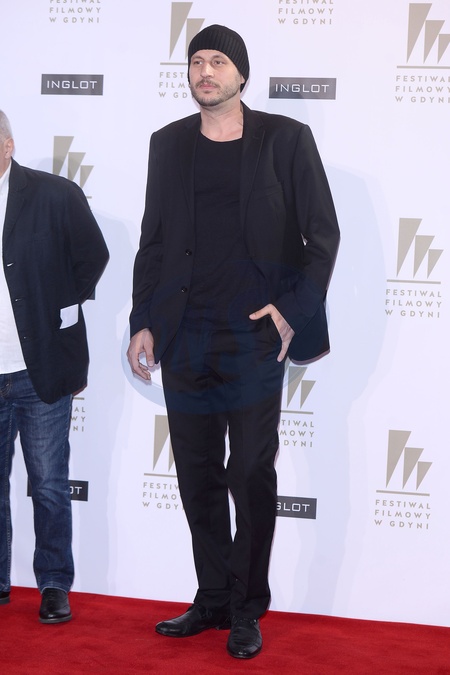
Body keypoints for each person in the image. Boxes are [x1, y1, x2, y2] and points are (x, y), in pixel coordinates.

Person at [127, 25, 339, 659]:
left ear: (241, 74)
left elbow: (322, 237)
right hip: (185, 336)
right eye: (196, 61)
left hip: (252, 337)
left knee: (248, 472)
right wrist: (142, 320)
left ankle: (247, 608)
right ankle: (213, 598)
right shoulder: (167, 144)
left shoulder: (285, 139)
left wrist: (290, 312)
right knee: (196, 474)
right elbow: (153, 241)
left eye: (218, 61)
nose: (205, 71)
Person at [0, 110, 109, 623]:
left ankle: (53, 583)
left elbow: (93, 257)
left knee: (47, 482)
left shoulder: (55, 195)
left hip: (39, 368)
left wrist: (58, 308)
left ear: (8, 145)